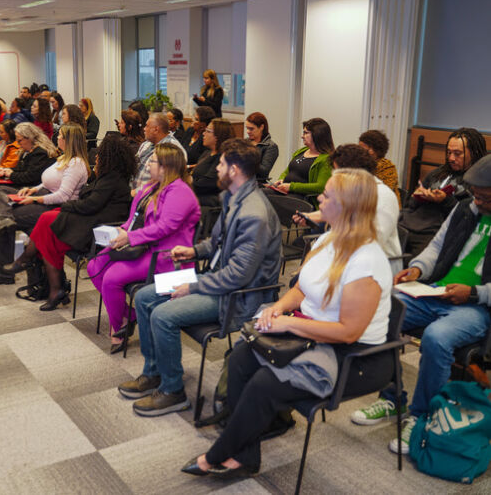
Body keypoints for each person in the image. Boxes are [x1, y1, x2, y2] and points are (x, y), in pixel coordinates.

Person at [181, 168, 393, 479]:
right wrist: (278, 309)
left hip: (354, 357)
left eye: (327, 195)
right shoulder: (328, 238)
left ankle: (218, 454)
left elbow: (349, 331)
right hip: (312, 333)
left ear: (346, 206)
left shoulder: (367, 260)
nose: (319, 197)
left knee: (263, 384)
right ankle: (245, 455)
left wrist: (288, 325)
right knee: (239, 358)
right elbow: (301, 288)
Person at [117, 140, 282, 417]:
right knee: (145, 295)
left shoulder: (254, 214)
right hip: (214, 279)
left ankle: (173, 391)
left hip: (237, 296)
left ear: (235, 170)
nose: (216, 167)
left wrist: (192, 286)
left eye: (221, 163)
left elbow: (238, 275)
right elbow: (218, 244)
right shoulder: (234, 198)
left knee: (163, 316)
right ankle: (153, 372)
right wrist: (194, 250)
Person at [352, 154, 491, 456]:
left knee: (437, 338)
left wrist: (473, 293)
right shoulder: (465, 209)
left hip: (477, 307)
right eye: (476, 195)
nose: (477, 201)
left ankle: (422, 415)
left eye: (485, 197)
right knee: (383, 309)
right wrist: (417, 269)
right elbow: (436, 248)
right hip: (436, 290)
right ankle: (392, 398)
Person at [2, 133, 137, 311]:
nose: (96, 157)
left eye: (100, 154)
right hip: (89, 219)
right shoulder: (108, 176)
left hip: (95, 227)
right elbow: (89, 201)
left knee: (47, 222)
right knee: (48, 234)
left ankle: (31, 263)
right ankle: (51, 286)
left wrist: (68, 205)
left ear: (109, 157)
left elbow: (90, 204)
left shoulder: (112, 179)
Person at [87, 143, 201, 351]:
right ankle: (130, 316)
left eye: (153, 160)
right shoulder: (151, 187)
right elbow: (133, 219)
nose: (148, 164)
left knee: (111, 278)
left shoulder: (180, 192)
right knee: (94, 266)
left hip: (165, 255)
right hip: (143, 246)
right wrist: (121, 232)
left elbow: (164, 228)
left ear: (166, 166)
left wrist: (130, 237)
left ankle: (118, 327)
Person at [0, 123, 90, 285]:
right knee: (3, 217)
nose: (57, 137)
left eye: (60, 136)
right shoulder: (64, 158)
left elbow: (63, 195)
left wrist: (34, 199)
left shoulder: (76, 164)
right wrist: (32, 190)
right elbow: (47, 182)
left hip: (58, 208)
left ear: (69, 140)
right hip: (45, 199)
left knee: (6, 219)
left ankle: (5, 270)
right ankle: (9, 269)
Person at [294, 144, 402, 272]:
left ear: (354, 173)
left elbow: (371, 242)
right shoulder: (352, 190)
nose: (335, 178)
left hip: (372, 267)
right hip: (347, 256)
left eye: (338, 173)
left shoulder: (383, 196)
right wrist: (317, 216)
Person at [399, 128, 487, 256]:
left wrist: (445, 200)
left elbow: (468, 218)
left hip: (438, 233)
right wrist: (416, 197)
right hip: (411, 223)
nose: (451, 158)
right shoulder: (437, 174)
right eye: (449, 152)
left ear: (474, 152)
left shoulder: (479, 183)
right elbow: (409, 207)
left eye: (457, 153)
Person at [269, 118, 334, 204]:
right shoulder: (301, 151)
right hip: (286, 191)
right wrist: (281, 179)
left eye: (306, 133)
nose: (302, 136)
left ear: (317, 135)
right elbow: (287, 171)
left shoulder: (326, 159)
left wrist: (292, 187)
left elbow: (321, 187)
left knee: (269, 201)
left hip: (303, 198)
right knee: (261, 194)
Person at [131, 113, 185, 194]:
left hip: (152, 196)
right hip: (134, 191)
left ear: (156, 129)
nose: (144, 129)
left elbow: (167, 183)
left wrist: (136, 192)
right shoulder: (146, 144)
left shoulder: (173, 149)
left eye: (147, 126)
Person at [192, 118, 232, 208]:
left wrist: (187, 181)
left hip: (208, 203)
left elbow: (206, 184)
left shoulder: (222, 159)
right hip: (197, 195)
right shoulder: (207, 153)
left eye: (208, 131)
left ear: (218, 136)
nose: (203, 133)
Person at [358, 130, 401, 206]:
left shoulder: (387, 167)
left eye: (361, 148)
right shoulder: (361, 164)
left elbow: (384, 195)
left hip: (385, 209)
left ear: (372, 150)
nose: (358, 151)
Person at [245, 112, 278, 182]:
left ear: (261, 127)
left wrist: (246, 159)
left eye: (251, 129)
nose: (248, 131)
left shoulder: (270, 146)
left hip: (257, 183)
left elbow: (264, 172)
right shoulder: (245, 142)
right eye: (247, 128)